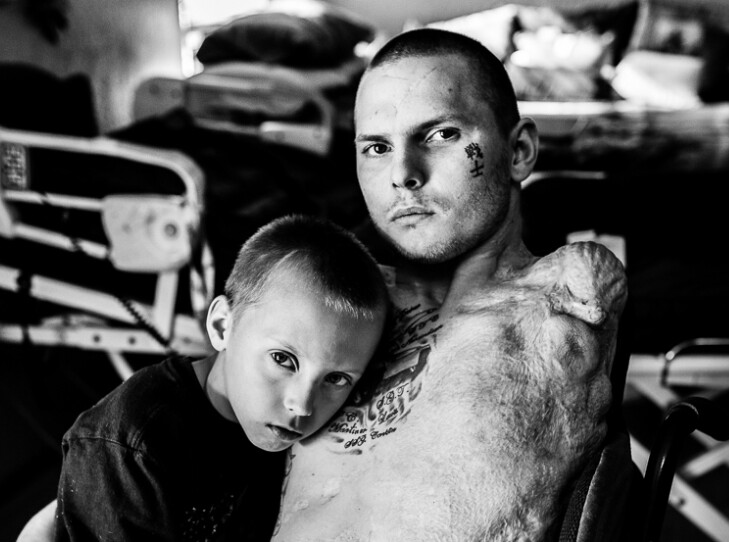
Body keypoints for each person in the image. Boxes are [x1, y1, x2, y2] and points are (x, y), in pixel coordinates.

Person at [269, 28, 629, 541]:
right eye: (375, 146)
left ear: (520, 151)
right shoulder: (332, 308)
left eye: (440, 135)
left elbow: (597, 289)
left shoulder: (558, 302)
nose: (402, 174)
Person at [53, 214, 389, 541]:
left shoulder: (267, 424)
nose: (301, 405)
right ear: (222, 327)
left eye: (337, 379)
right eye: (283, 360)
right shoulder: (133, 446)